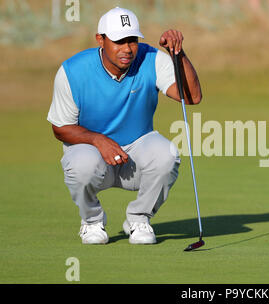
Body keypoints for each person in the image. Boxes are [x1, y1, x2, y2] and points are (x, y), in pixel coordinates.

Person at [47, 7, 202, 245]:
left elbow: (191, 97)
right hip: (93, 152)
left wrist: (178, 54)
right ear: (101, 40)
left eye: (132, 40)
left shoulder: (151, 59)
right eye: (119, 41)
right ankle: (91, 222)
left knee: (167, 155)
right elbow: (61, 128)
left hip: (138, 148)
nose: (127, 49)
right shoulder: (73, 71)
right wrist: (99, 140)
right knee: (80, 164)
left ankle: (138, 220)